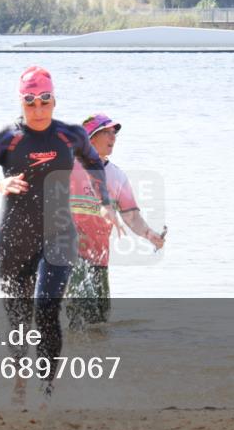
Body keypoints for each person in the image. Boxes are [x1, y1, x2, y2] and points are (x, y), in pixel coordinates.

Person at [0, 65, 114, 401]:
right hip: (14, 237)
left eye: (45, 101)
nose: (38, 109)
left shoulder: (70, 135)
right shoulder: (7, 138)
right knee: (18, 317)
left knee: (47, 309)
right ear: (21, 102)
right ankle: (20, 381)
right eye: (30, 102)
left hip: (60, 234)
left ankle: (47, 392)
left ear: (54, 100)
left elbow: (94, 163)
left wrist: (104, 202)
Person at [64, 113, 166, 328]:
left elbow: (131, 216)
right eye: (107, 132)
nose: (113, 137)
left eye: (114, 133)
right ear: (90, 137)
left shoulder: (117, 177)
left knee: (98, 321)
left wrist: (150, 235)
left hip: (99, 258)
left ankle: (94, 356)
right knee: (77, 312)